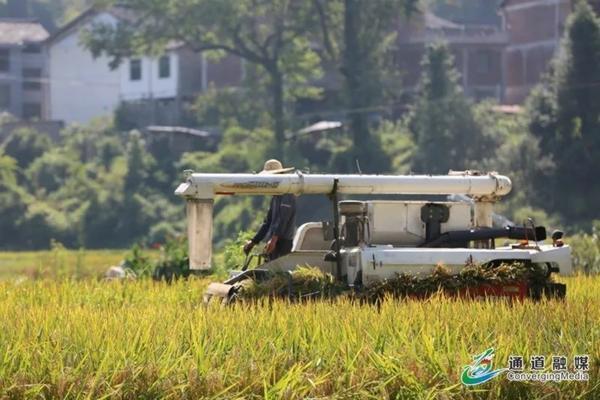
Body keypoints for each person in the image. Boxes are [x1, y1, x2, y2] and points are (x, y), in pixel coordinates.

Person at [243, 159, 297, 260]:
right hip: (274, 240)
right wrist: (254, 241)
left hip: (283, 242)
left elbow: (283, 220)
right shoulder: (275, 197)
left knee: (278, 272)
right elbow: (267, 222)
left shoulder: (287, 195)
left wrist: (273, 240)